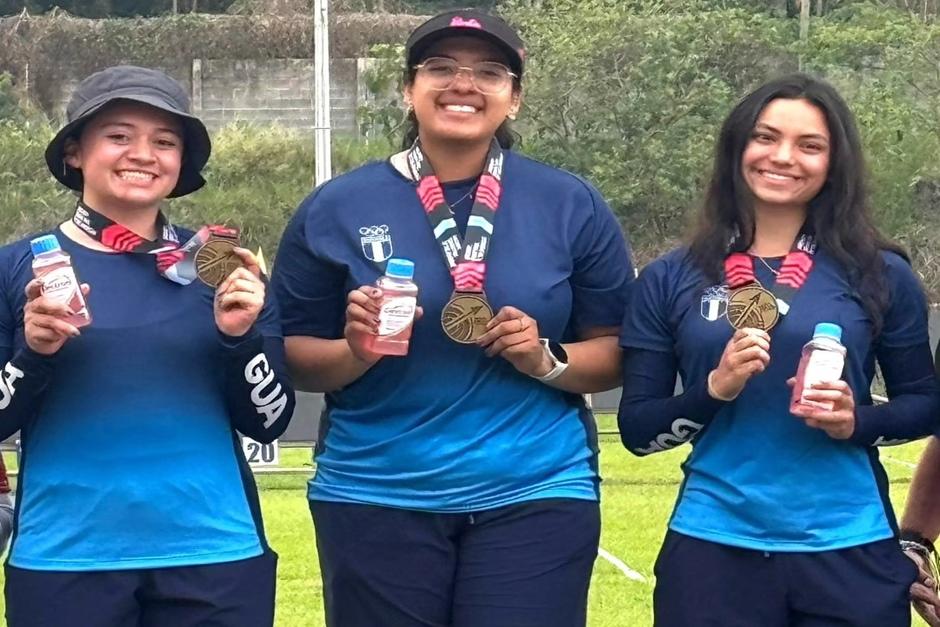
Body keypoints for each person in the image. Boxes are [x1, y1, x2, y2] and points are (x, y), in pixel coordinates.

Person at [271, 9, 633, 627]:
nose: (463, 84)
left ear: (513, 98)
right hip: (375, 492)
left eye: (489, 72)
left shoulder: (568, 202)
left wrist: (545, 358)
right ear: (408, 90)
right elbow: (292, 356)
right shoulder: (338, 205)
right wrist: (356, 349)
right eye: (440, 67)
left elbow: (618, 350)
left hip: (535, 490)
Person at [617, 73, 940, 627]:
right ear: (737, 146)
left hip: (850, 547)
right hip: (712, 548)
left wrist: (853, 421)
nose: (783, 157)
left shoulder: (881, 273)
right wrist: (714, 390)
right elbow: (638, 431)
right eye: (766, 137)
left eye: (809, 145)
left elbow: (926, 405)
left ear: (834, 162)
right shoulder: (671, 277)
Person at [0, 65, 294, 626]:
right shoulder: (17, 268)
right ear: (74, 153)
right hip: (64, 557)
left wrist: (240, 339)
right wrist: (33, 351)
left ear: (182, 163)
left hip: (215, 556)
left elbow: (269, 422)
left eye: (165, 141)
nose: (143, 153)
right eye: (118, 136)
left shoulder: (224, 268)